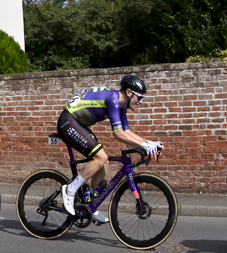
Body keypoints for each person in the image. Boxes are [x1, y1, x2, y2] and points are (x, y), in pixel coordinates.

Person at [56, 75, 162, 223]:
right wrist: (143, 145)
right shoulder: (113, 99)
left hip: (78, 123)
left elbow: (126, 132)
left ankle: (90, 205)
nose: (141, 101)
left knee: (104, 162)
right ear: (129, 92)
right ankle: (70, 190)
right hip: (68, 121)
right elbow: (118, 134)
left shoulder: (121, 106)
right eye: (140, 97)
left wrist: (149, 142)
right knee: (101, 157)